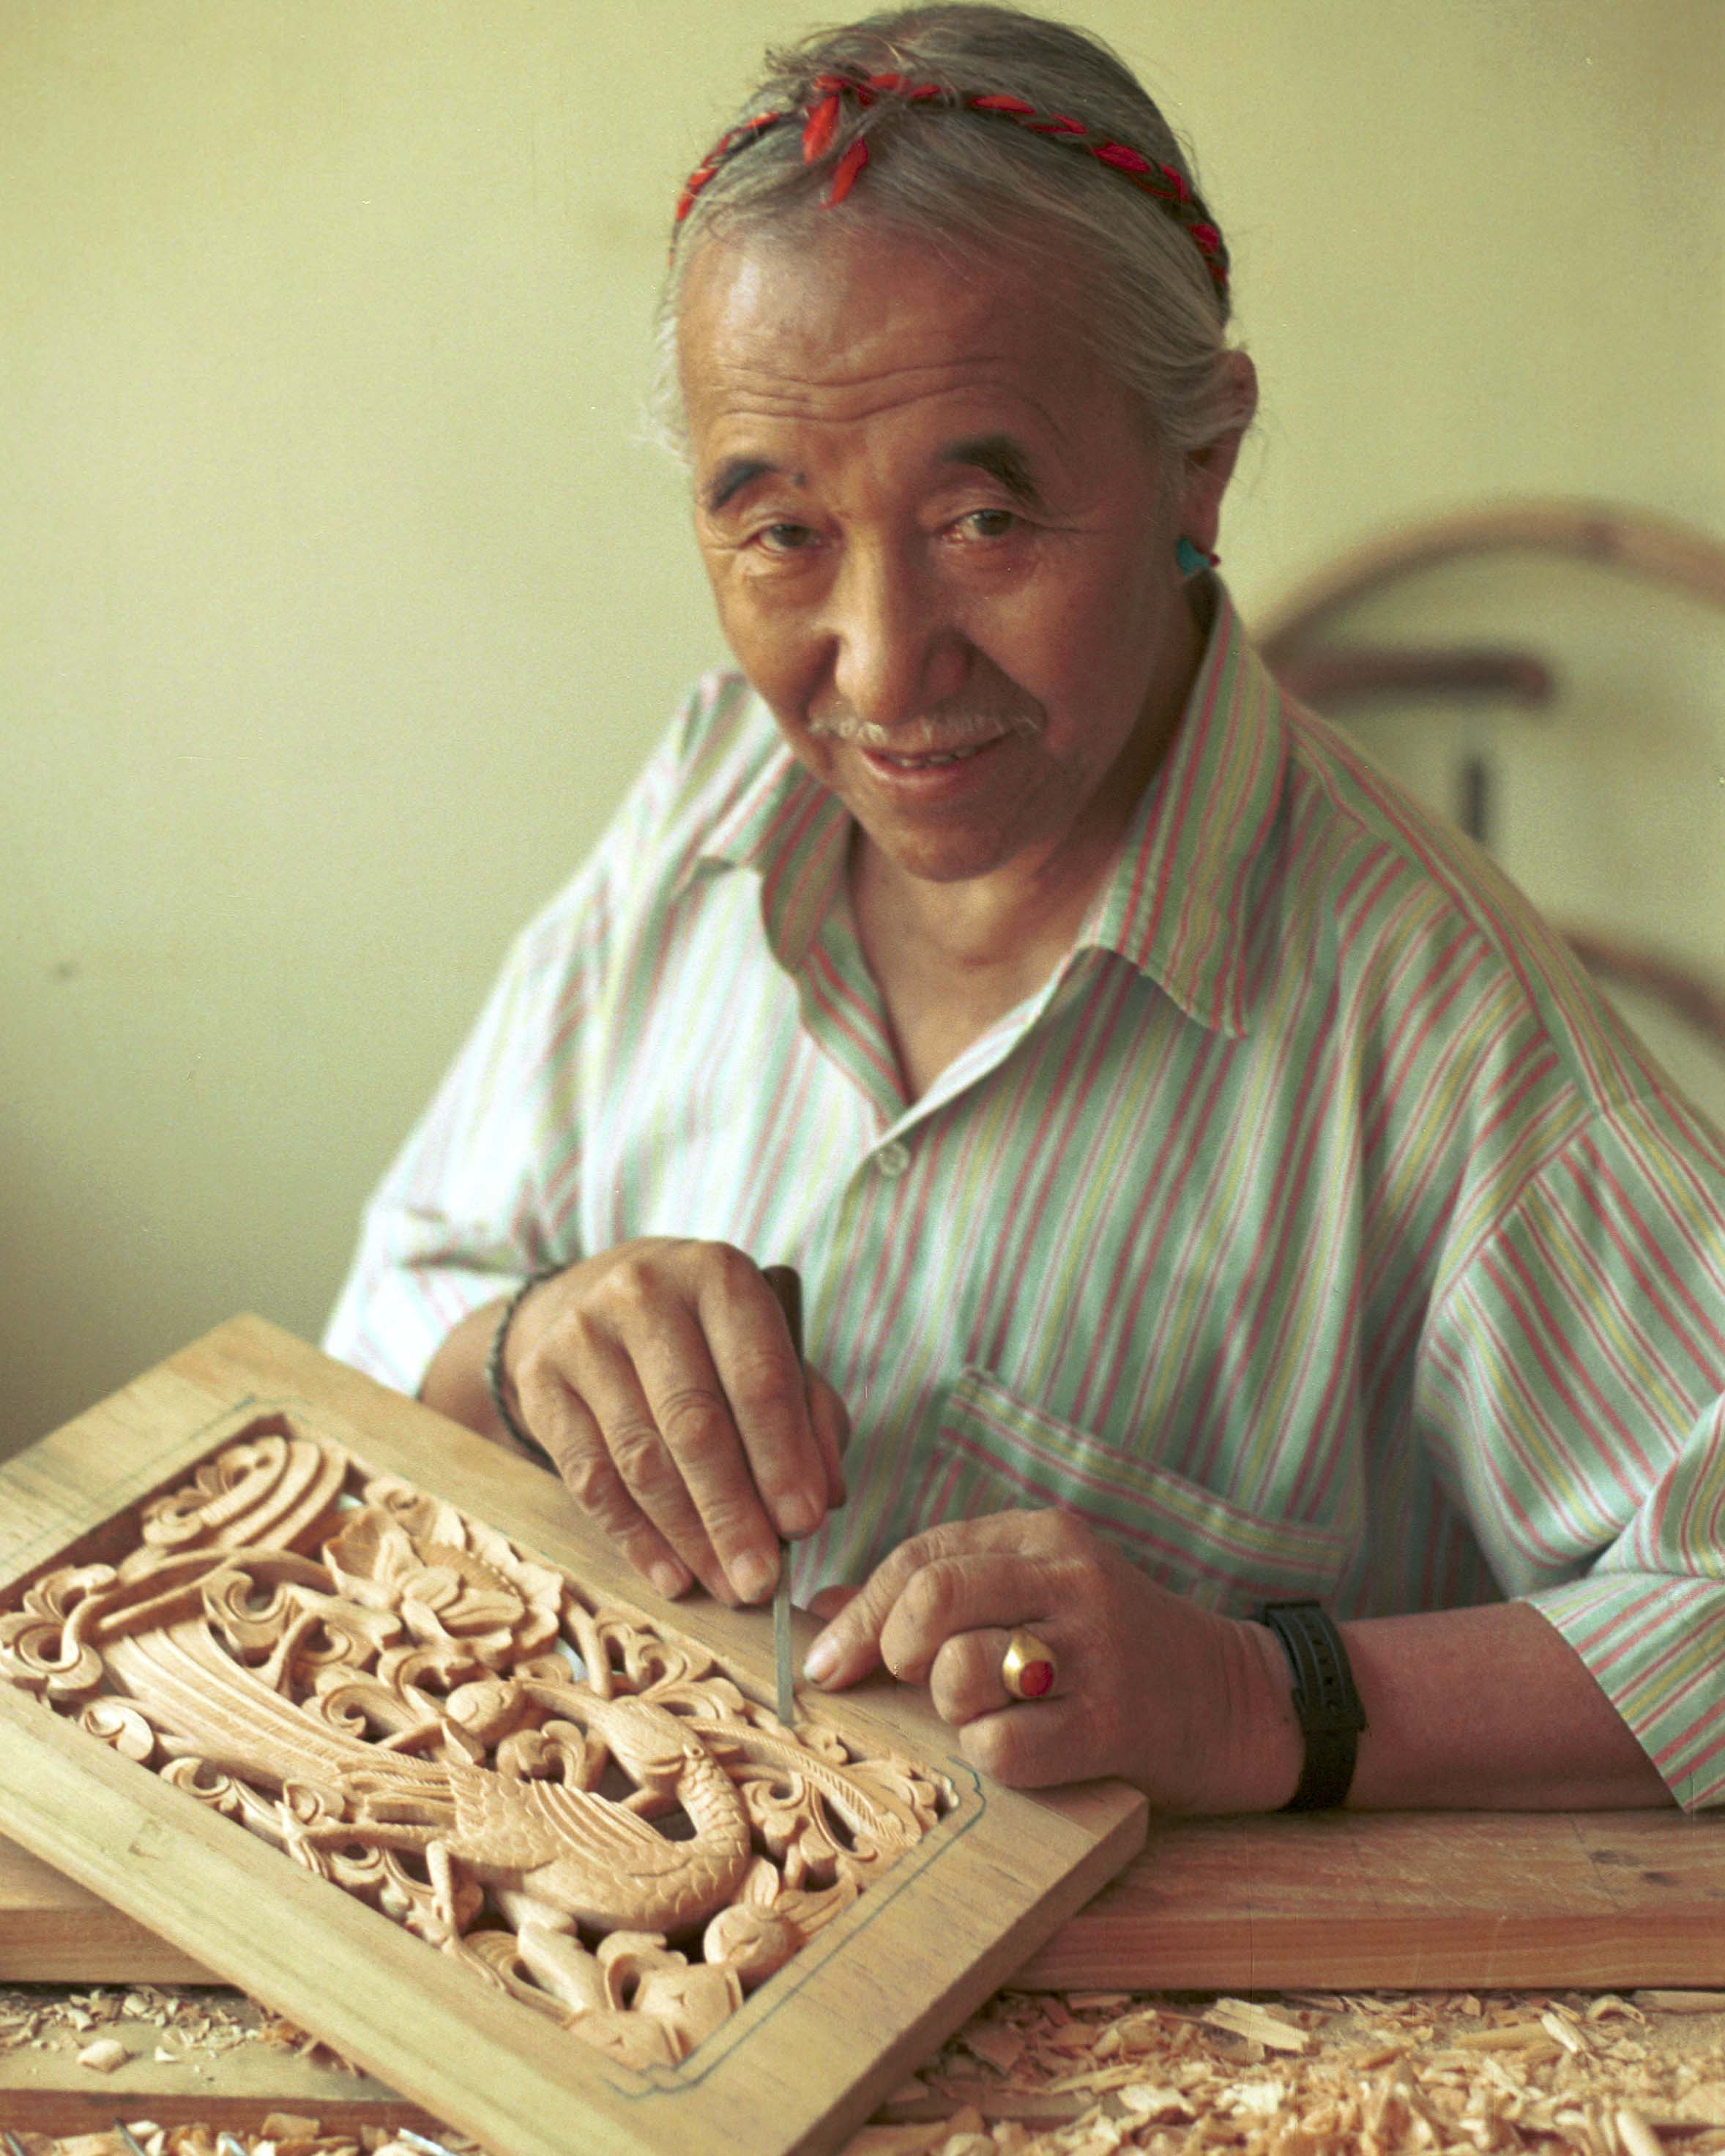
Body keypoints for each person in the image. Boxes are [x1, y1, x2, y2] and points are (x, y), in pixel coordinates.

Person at [326, 4, 1725, 1818]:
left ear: (1197, 465)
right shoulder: (706, 798)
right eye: (779, 535)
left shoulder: (1433, 1025)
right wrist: (525, 1349)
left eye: (985, 520)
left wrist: (1254, 1692)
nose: (881, 670)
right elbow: (378, 1319)